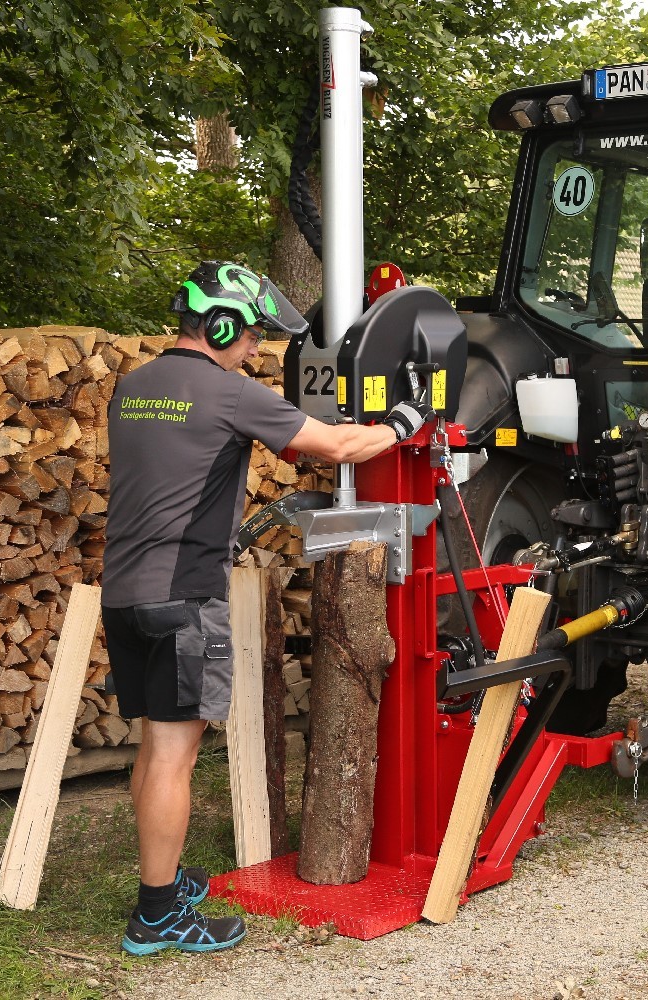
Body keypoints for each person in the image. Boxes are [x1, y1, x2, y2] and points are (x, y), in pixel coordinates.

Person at [103, 261, 430, 955]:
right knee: (174, 754)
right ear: (219, 324)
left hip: (125, 592)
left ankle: (163, 885)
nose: (254, 349)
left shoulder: (133, 387)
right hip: (184, 596)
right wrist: (407, 419)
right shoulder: (225, 393)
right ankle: (156, 915)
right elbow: (337, 444)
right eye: (250, 335)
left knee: (153, 745)